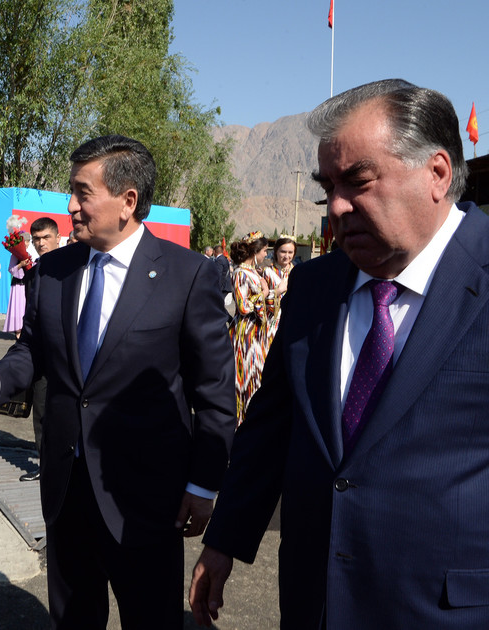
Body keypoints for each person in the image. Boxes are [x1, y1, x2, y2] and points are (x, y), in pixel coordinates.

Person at [189, 79, 489, 629]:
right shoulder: (313, 287)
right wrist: (225, 537)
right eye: (327, 186)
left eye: (358, 181)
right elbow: (271, 426)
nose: (336, 207)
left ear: (437, 174)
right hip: (314, 602)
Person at [0, 135, 236, 628]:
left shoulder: (188, 276)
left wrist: (203, 483)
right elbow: (32, 350)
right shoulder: (52, 271)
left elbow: (213, 394)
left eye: (82, 193)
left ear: (128, 201)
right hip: (66, 492)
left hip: (146, 500)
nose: (70, 206)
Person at [20, 216, 62, 482]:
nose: (41, 243)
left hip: (68, 358)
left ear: (58, 237)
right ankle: (45, 466)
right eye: (36, 239)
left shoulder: (73, 269)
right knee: (41, 413)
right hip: (42, 357)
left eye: (46, 237)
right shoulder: (33, 272)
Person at [229, 231, 273, 424]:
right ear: (255, 252)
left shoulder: (254, 272)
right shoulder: (240, 272)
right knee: (246, 375)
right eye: (264, 251)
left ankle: (253, 417)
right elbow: (243, 306)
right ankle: (242, 420)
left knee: (258, 374)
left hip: (257, 332)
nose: (266, 255)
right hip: (245, 333)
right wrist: (265, 292)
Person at [262, 236, 294, 350]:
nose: (286, 256)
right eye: (283, 252)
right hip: (272, 323)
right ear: (276, 252)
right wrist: (278, 291)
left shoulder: (298, 272)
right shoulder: (267, 272)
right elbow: (261, 300)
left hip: (292, 321)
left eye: (290, 252)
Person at [3, 215, 32, 338]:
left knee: (25, 307)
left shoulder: (28, 254)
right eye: (25, 241)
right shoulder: (14, 255)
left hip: (26, 284)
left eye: (28, 241)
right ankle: (17, 331)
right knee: (17, 308)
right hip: (18, 285)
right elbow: (11, 269)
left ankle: (24, 330)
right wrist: (21, 265)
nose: (27, 243)